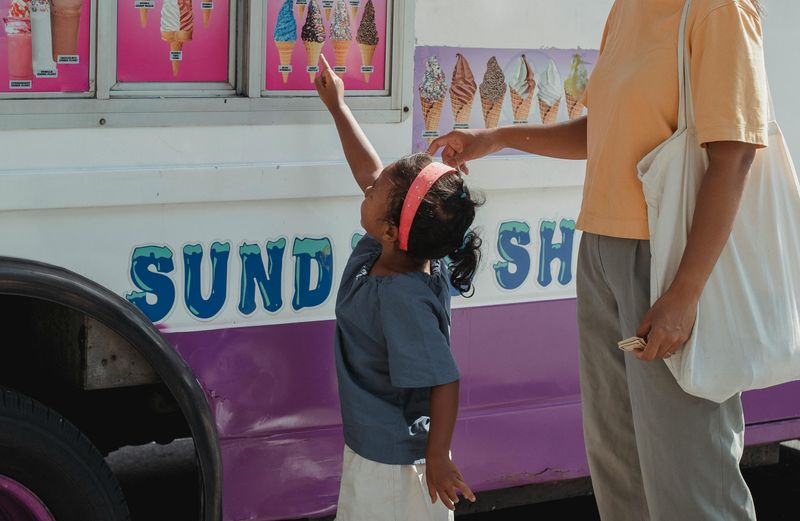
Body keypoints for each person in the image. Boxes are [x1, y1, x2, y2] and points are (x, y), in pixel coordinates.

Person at [428, 1, 768, 519]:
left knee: (691, 474)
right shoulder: (628, 9)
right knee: (619, 467)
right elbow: (601, 130)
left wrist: (685, 292)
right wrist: (493, 138)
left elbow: (735, 153)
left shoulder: (718, 9)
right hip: (601, 250)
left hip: (670, 258)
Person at [315, 54, 481, 521]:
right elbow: (371, 173)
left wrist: (437, 457)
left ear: (392, 229)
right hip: (373, 452)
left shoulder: (403, 297)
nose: (367, 188)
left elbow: (445, 378)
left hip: (395, 469)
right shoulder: (389, 250)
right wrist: (339, 108)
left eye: (375, 194)